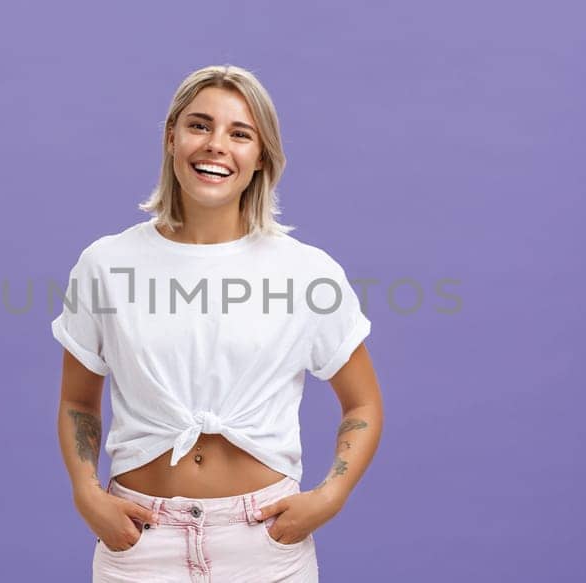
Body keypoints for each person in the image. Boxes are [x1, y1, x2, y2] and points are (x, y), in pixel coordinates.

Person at [53, 64, 384, 582]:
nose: (216, 145)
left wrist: (331, 495)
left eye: (240, 134)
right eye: (199, 125)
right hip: (140, 544)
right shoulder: (106, 264)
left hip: (264, 544)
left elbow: (362, 402)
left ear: (261, 157)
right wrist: (86, 494)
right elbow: (77, 399)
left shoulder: (305, 271)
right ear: (171, 137)